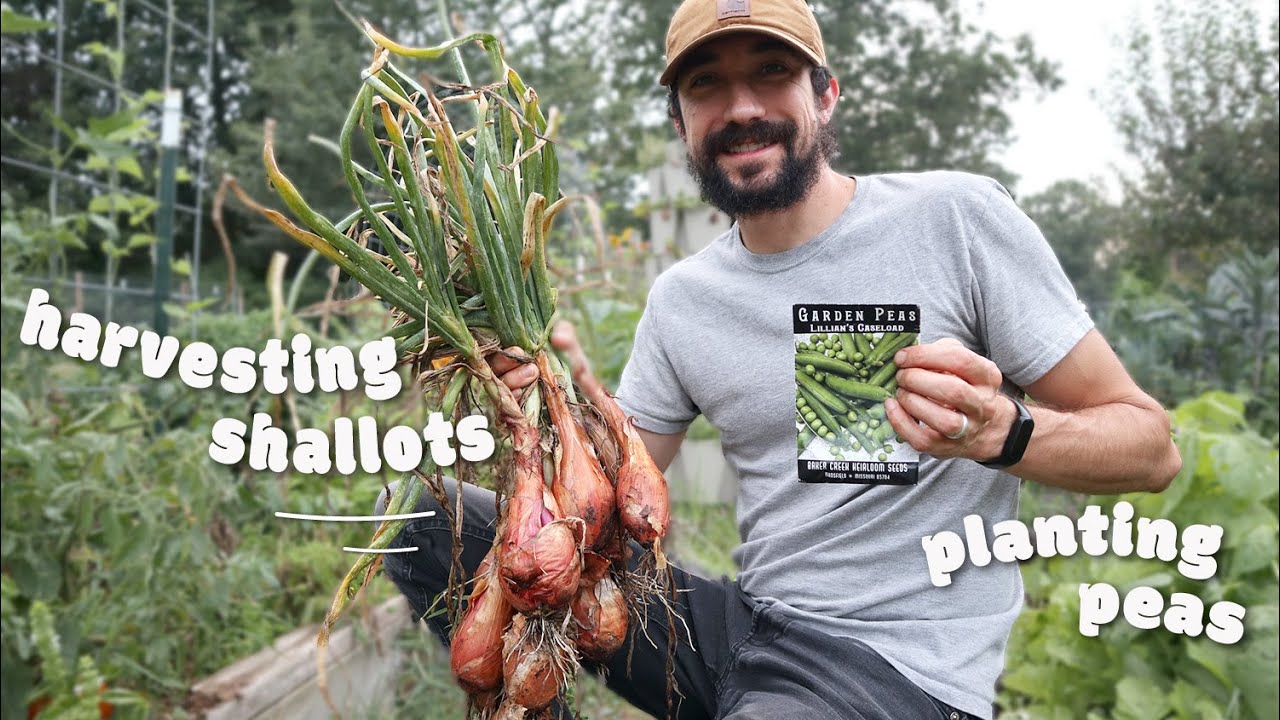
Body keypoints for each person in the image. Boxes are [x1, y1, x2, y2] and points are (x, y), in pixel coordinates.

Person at [380, 0, 1183, 718]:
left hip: (893, 666)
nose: (741, 108)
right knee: (420, 524)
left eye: (771, 72)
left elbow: (1151, 449)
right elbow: (608, 508)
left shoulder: (953, 221)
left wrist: (1004, 432)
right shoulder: (684, 299)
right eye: (706, 86)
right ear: (681, 122)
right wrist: (546, 408)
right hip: (748, 630)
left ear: (825, 94)